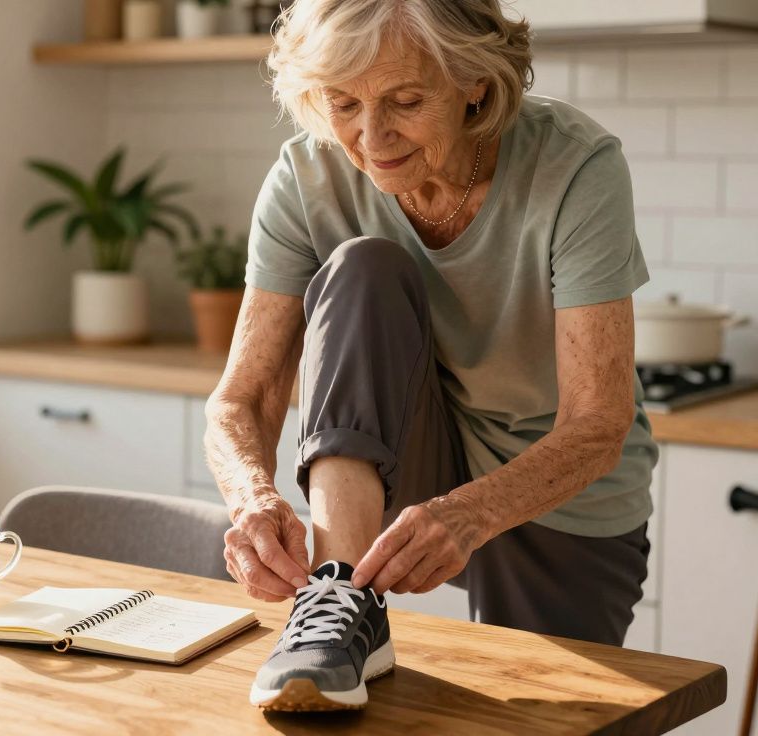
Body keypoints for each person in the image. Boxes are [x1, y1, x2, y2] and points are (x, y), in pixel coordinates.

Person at [203, 0, 659, 712]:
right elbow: (244, 397)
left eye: (405, 101)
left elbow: (600, 422)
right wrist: (253, 499)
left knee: (544, 721)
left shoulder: (576, 166)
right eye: (343, 103)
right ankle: (339, 601)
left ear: (474, 81)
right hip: (411, 454)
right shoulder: (306, 177)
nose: (370, 135)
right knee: (361, 269)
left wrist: (470, 514)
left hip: (554, 485)